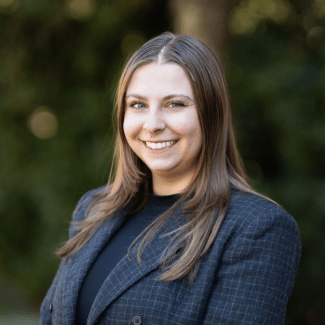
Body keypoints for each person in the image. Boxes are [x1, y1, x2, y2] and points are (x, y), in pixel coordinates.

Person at [38, 32, 301, 325]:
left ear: (211, 114)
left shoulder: (256, 228)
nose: (152, 125)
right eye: (138, 104)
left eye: (175, 104)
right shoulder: (94, 207)